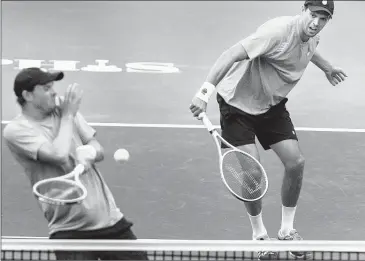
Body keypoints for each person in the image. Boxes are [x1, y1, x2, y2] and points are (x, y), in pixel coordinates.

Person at [189, 0, 347, 260]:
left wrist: (327, 67)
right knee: (252, 174)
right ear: (303, 11)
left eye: (323, 18)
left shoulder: (312, 36)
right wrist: (203, 94)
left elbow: (309, 49)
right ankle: (259, 235)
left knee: (296, 163)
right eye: (314, 15)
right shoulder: (275, 32)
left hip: (271, 106)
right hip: (237, 106)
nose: (316, 23)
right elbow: (230, 54)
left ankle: (287, 231)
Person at [3, 67, 149, 260]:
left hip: (110, 221)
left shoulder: (62, 109)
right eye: (46, 88)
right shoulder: (16, 130)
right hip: (70, 231)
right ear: (28, 95)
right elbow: (59, 155)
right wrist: (69, 115)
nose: (54, 92)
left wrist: (90, 152)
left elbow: (97, 147)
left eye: (52, 86)